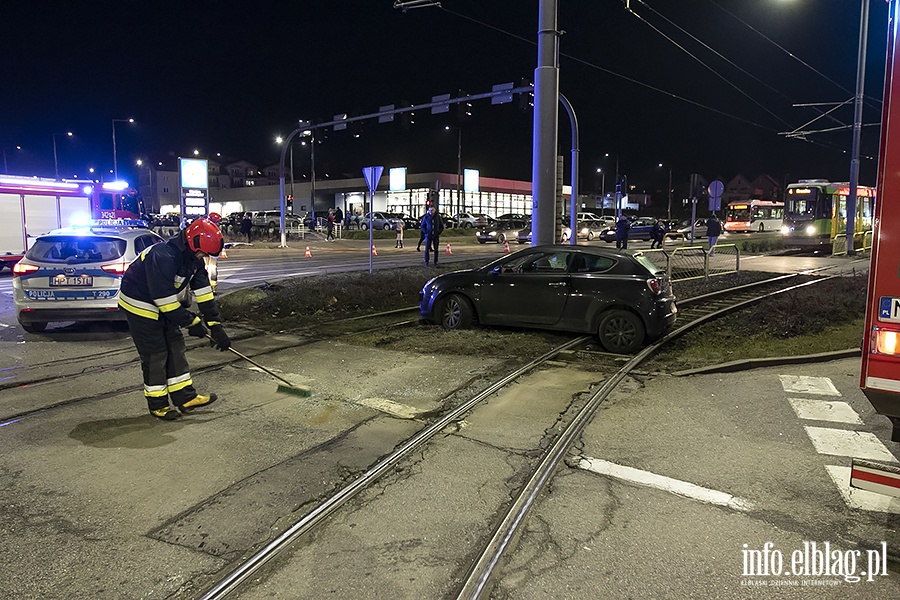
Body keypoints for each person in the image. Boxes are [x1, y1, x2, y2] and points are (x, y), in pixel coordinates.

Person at [118, 218, 232, 421]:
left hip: (164, 306)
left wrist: (215, 326)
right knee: (156, 354)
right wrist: (192, 322)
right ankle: (158, 405)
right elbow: (164, 300)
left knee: (176, 347)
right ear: (193, 243)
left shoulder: (193, 261)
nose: (204, 257)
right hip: (140, 305)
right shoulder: (163, 256)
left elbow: (204, 294)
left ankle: (185, 398)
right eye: (204, 253)